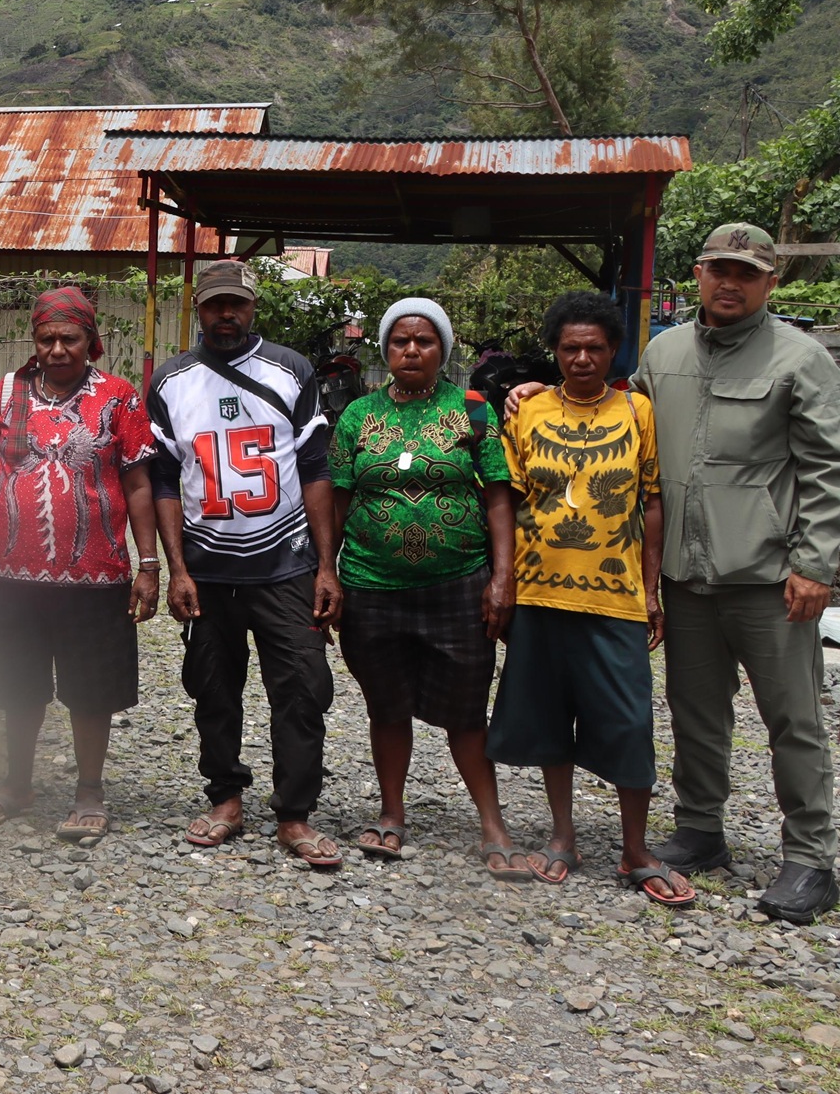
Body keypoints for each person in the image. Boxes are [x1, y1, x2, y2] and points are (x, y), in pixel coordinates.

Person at [635, 224, 840, 920]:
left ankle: (810, 857)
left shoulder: (801, 358)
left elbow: (825, 469)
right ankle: (699, 828)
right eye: (719, 268)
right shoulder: (661, 355)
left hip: (770, 579)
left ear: (769, 283)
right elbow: (615, 427)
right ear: (697, 273)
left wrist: (816, 565)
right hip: (686, 577)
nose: (731, 281)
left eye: (747, 272)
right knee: (695, 711)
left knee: (794, 718)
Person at [490, 290, 692, 905]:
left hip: (616, 596)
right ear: (554, 350)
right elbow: (506, 497)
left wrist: (651, 588)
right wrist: (503, 583)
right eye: (571, 348)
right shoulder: (526, 411)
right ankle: (562, 836)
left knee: (629, 722)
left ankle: (636, 849)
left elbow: (652, 500)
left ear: (613, 352)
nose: (582, 358)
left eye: (595, 348)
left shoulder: (636, 413)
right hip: (541, 592)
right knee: (552, 716)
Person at [146, 259, 344, 870]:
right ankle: (226, 797)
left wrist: (325, 565)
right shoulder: (170, 381)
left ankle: (294, 813)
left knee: (305, 685)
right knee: (212, 685)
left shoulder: (291, 371)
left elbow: (314, 469)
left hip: (284, 561)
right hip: (208, 565)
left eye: (235, 304)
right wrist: (175, 567)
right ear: (198, 309)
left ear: (253, 306)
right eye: (213, 305)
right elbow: (162, 479)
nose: (225, 315)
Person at [0, 287, 160, 843]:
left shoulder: (119, 398)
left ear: (90, 341)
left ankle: (89, 791)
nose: (57, 349)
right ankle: (17, 783)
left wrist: (149, 565)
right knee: (17, 683)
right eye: (46, 338)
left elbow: (139, 483)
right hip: (11, 576)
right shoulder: (6, 393)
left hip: (96, 577)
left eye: (69, 338)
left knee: (90, 686)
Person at [328, 297, 523, 876]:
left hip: (458, 583)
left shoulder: (475, 412)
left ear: (443, 348)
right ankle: (391, 814)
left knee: (466, 711)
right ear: (385, 349)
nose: (411, 350)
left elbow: (497, 496)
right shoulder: (357, 415)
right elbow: (338, 497)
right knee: (386, 707)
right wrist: (326, 571)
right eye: (399, 341)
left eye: (425, 341)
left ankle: (492, 822)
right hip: (370, 584)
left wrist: (502, 578)